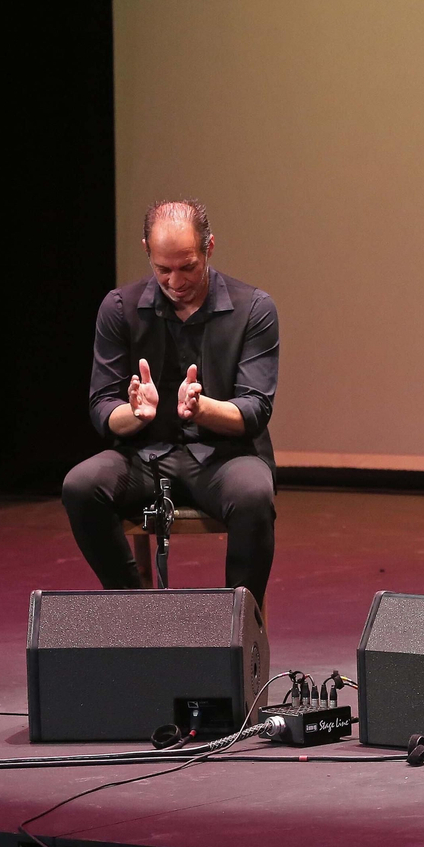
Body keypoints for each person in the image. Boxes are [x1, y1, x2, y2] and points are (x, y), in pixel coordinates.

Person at [63, 199, 279, 603]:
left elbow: (255, 409)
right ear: (147, 250)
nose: (175, 280)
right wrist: (135, 414)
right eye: (163, 268)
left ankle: (237, 624)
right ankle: (135, 607)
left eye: (188, 267)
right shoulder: (119, 308)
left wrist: (203, 409)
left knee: (253, 494)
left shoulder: (254, 309)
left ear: (209, 248)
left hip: (224, 457)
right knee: (81, 485)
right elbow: (101, 408)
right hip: (143, 456)